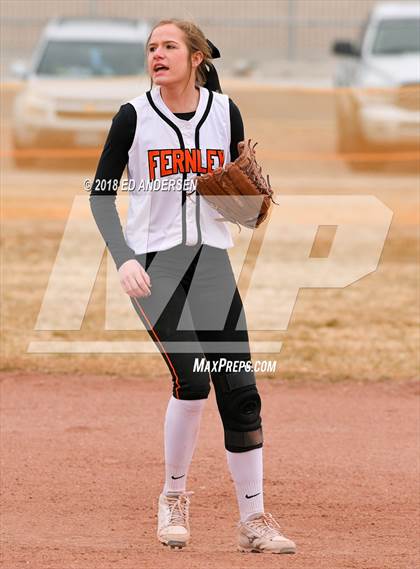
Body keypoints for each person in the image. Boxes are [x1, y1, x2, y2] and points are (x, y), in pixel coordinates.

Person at [90, 18, 296, 555]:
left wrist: (247, 198)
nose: (157, 54)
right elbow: (99, 195)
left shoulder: (224, 111)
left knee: (243, 393)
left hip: (211, 262)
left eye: (169, 46)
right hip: (154, 266)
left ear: (196, 56)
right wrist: (123, 258)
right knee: (193, 378)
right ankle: (173, 497)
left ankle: (253, 520)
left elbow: (240, 195)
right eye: (152, 47)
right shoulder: (133, 116)